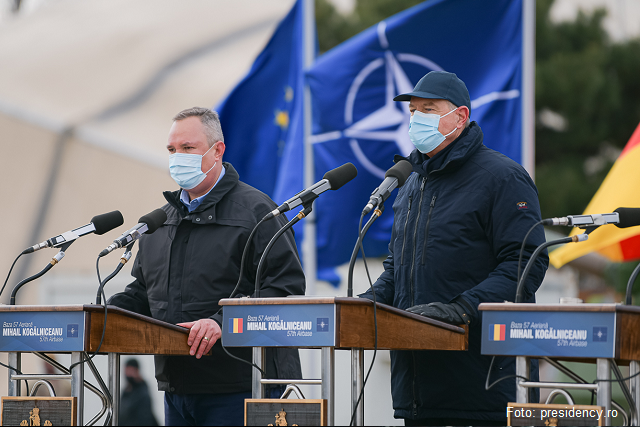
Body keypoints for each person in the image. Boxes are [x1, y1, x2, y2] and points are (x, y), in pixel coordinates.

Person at [360, 71, 548, 426]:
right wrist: (361, 305)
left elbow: (525, 265)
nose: (416, 119)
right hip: (418, 392)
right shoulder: (411, 183)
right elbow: (397, 270)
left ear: (460, 116)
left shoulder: (502, 177)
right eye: (413, 111)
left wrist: (460, 309)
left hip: (484, 390)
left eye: (428, 109)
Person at [109, 107, 305, 426]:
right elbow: (145, 293)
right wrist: (105, 313)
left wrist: (222, 322)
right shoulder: (158, 223)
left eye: (188, 148)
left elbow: (284, 287)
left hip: (244, 385)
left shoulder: (258, 213)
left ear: (218, 151)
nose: (178, 157)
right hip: (177, 387)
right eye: (172, 150)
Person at [120, 358, 158, 426]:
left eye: (131, 371)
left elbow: (145, 419)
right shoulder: (126, 391)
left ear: (137, 371)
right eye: (127, 371)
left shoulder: (143, 393)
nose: (128, 374)